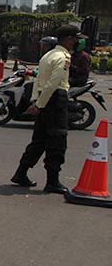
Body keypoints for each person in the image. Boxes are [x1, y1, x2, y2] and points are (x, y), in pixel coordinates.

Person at [10, 24, 86, 194]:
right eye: (75, 39)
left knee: (39, 141)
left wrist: (36, 101)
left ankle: (20, 173)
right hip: (54, 102)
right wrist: (39, 104)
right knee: (57, 142)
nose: (77, 42)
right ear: (68, 39)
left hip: (44, 101)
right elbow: (52, 83)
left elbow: (38, 81)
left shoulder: (48, 55)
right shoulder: (63, 57)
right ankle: (52, 181)